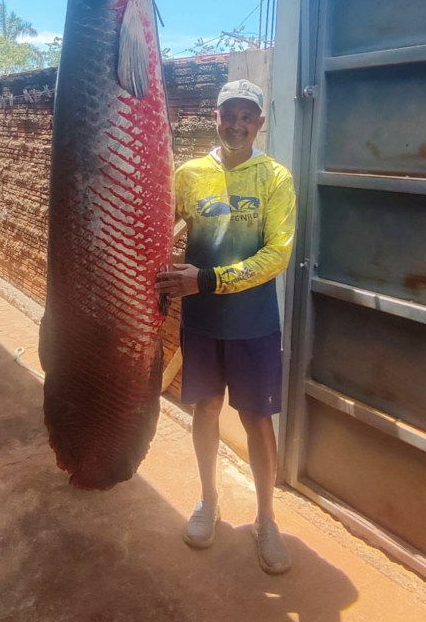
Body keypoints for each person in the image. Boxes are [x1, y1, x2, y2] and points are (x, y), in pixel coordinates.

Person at [156, 78, 296, 575]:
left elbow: (277, 254)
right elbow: (163, 226)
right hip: (203, 321)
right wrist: (168, 254)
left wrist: (208, 279)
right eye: (229, 113)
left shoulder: (275, 178)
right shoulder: (188, 174)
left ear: (260, 122)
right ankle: (209, 501)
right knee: (206, 408)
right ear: (216, 117)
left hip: (254, 322)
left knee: (257, 419)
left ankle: (266, 519)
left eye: (247, 115)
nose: (238, 123)